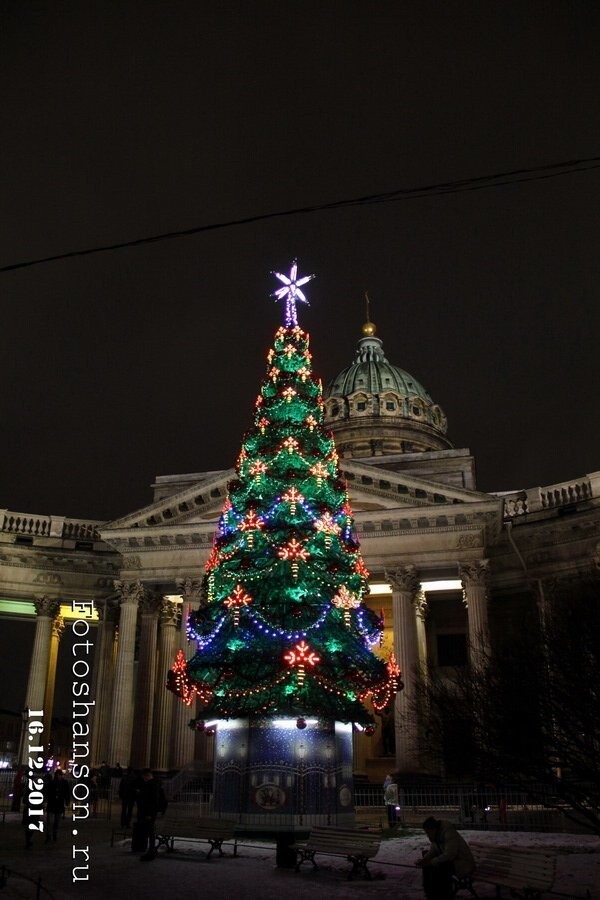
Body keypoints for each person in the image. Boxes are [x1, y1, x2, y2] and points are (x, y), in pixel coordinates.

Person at [415, 816, 475, 900]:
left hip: (464, 864)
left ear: (434, 829)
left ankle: (441, 894)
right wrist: (425, 859)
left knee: (440, 866)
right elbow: (433, 850)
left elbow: (450, 854)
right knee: (430, 863)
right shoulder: (437, 835)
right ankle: (430, 892)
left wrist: (432, 862)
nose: (427, 835)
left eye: (428, 832)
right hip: (454, 862)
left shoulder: (449, 834)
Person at [136, 768, 162, 861]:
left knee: (150, 832)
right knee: (150, 832)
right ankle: (151, 851)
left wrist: (150, 814)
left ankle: (151, 852)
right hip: (149, 812)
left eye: (144, 777)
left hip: (149, 813)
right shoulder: (153, 784)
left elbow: (153, 800)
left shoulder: (152, 785)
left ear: (147, 775)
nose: (143, 779)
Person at [43, 769, 71, 842]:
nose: (58, 776)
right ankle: (49, 836)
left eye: (59, 775)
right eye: (57, 775)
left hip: (58, 804)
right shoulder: (52, 782)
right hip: (53, 803)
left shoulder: (63, 783)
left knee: (56, 821)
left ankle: (54, 835)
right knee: (50, 821)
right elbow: (47, 792)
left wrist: (67, 800)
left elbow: (67, 793)